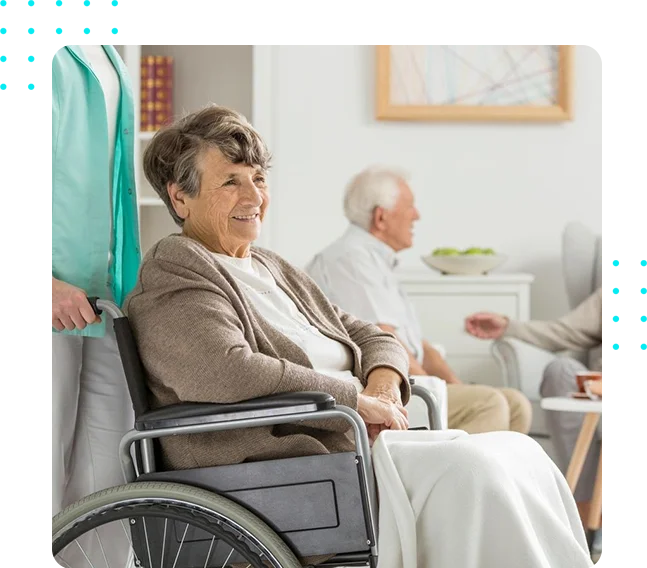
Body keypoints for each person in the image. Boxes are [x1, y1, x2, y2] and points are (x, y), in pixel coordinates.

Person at [123, 104, 593, 568]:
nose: (253, 197)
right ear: (180, 198)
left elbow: (371, 334)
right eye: (231, 181)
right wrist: (353, 400)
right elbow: (223, 371)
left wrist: (383, 388)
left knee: (521, 453)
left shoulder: (270, 265)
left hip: (355, 443)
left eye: (259, 179)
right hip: (288, 465)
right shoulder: (176, 268)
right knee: (476, 472)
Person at [306, 167, 532, 435]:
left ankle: (499, 478)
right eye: (410, 206)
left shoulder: (375, 261)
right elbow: (385, 340)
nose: (417, 215)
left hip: (409, 380)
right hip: (382, 392)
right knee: (488, 403)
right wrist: (433, 391)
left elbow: (420, 348)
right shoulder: (349, 260)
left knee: (517, 404)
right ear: (381, 217)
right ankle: (459, 476)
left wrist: (455, 386)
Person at [49, 39, 141, 516]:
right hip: (38, 302)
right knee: (34, 480)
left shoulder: (110, 52)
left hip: (107, 296)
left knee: (106, 484)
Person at [464, 289, 607, 520]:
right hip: (605, 393)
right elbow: (562, 332)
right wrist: (508, 327)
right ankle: (582, 512)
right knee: (561, 370)